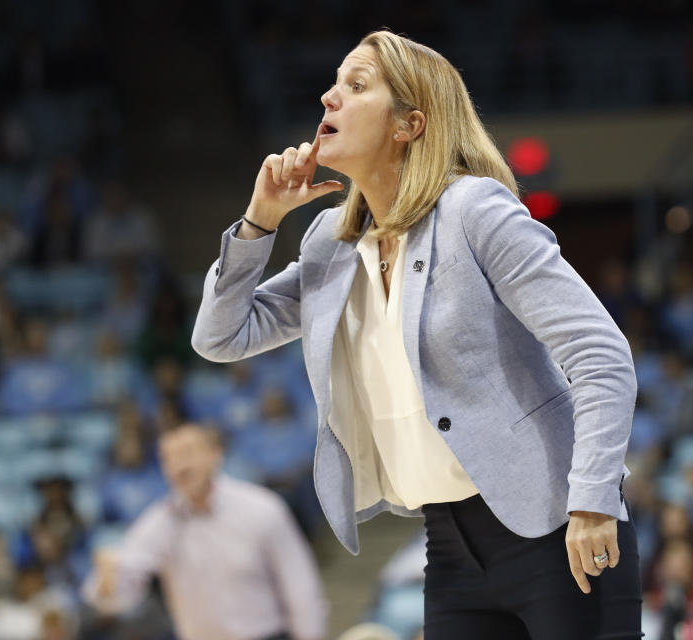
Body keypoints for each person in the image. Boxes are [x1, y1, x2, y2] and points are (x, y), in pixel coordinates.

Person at [191, 30, 641, 639]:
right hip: (449, 545)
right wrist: (259, 222)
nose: (328, 98)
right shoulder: (332, 244)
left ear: (409, 125)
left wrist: (592, 499)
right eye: (333, 84)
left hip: (557, 529)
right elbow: (220, 337)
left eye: (355, 86)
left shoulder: (474, 211)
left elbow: (601, 353)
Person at [82, 422, 327, 640]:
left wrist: (310, 634)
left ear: (215, 454)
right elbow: (120, 593)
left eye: (187, 453)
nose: (179, 466)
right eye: (168, 459)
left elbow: (299, 584)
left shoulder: (262, 508)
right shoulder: (160, 522)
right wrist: (107, 578)